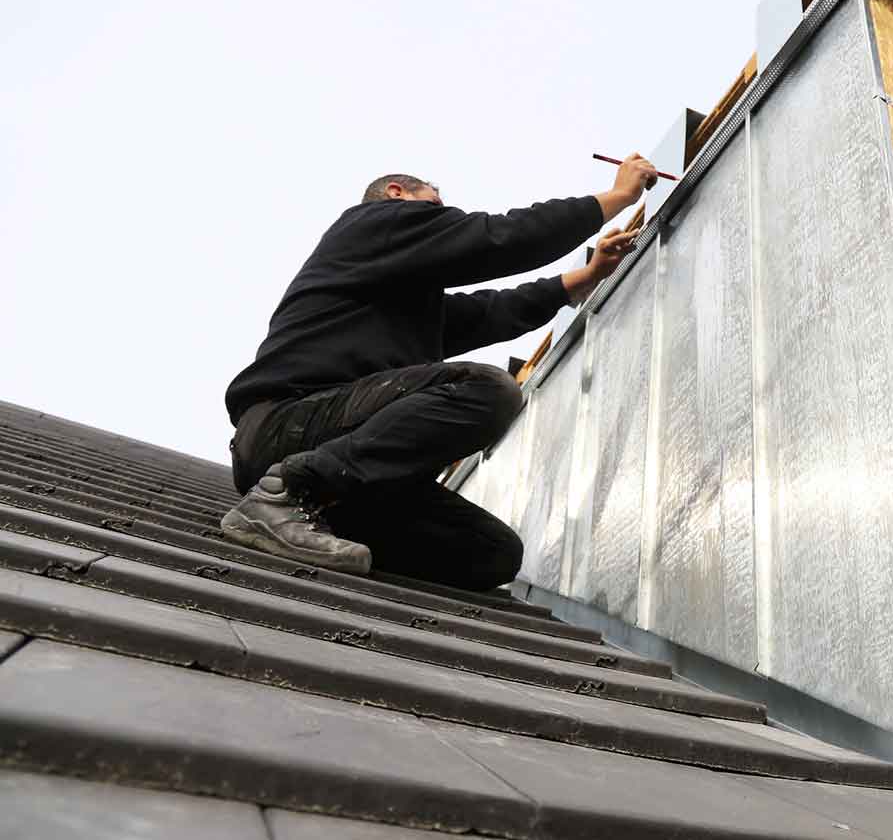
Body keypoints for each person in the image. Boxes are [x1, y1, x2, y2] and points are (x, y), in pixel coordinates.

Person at [220, 155, 658, 590]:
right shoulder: (376, 223)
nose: (443, 217)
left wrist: (588, 274)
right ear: (398, 193)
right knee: (488, 389)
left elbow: (491, 312)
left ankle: (308, 521)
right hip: (287, 427)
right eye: (435, 201)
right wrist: (619, 197)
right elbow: (499, 238)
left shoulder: (403, 302)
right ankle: (285, 494)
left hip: (339, 465)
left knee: (491, 555)